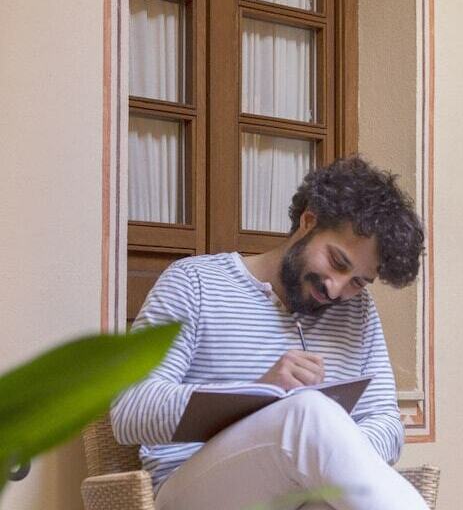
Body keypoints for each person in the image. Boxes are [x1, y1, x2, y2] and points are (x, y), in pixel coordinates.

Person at [111, 157, 428, 510]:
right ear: (309, 222)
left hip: (303, 493)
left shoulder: (358, 311)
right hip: (192, 491)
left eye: (358, 281)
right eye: (337, 262)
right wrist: (259, 394)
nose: (337, 289)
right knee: (309, 411)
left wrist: (333, 452)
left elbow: (385, 422)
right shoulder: (194, 282)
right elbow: (129, 411)